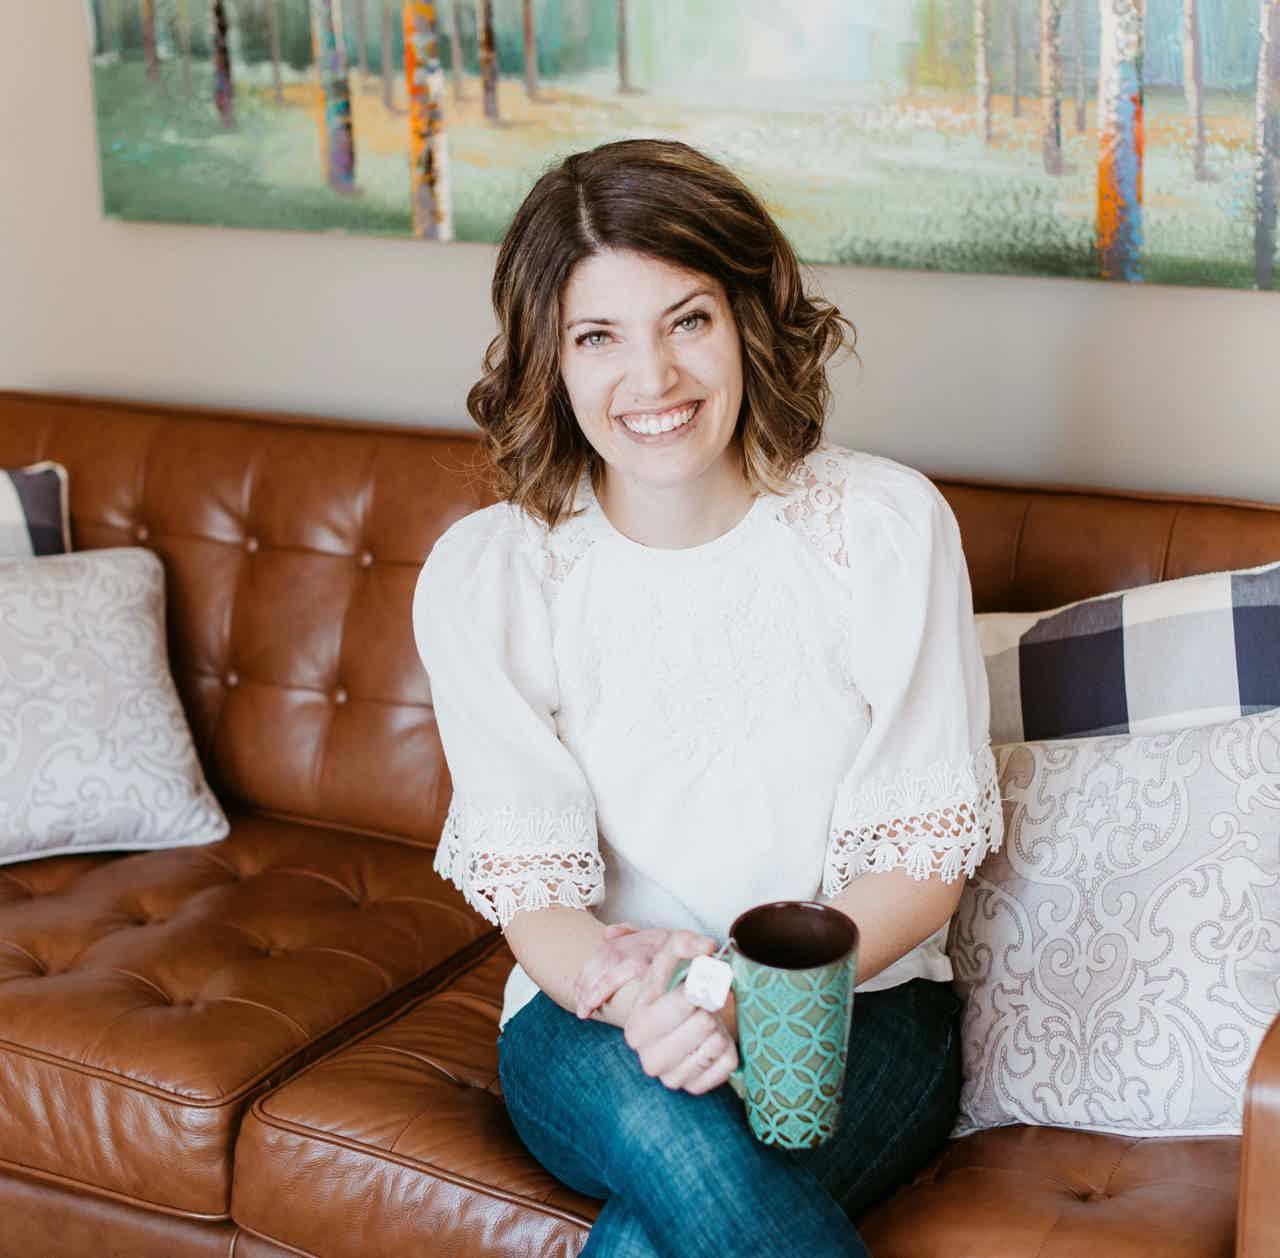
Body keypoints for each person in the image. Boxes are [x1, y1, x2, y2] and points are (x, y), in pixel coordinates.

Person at [412, 137, 1003, 1258]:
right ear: (552, 358)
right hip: (588, 1022)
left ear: (745, 320)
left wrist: (733, 995)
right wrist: (641, 999)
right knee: (676, 1140)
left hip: (857, 1011)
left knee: (650, 1234)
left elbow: (923, 870)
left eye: (685, 320)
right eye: (598, 337)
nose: (653, 380)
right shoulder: (489, 576)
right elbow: (532, 896)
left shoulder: (880, 530)